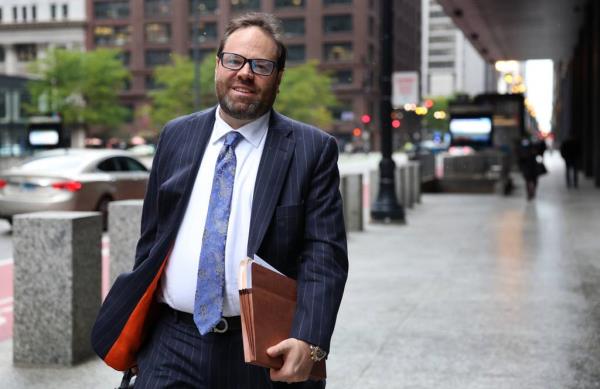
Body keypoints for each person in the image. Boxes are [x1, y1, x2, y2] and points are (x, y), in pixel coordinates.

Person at [91, 13, 348, 389]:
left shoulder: (312, 150)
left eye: (261, 65)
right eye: (234, 60)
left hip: (262, 348)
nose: (245, 73)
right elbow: (151, 241)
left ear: (278, 77)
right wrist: (139, 336)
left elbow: (323, 255)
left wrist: (310, 340)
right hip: (171, 339)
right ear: (218, 65)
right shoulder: (176, 135)